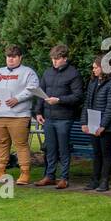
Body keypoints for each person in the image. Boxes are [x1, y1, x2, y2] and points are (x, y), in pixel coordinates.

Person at [0, 45, 39, 185]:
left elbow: (33, 88)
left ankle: (25, 173)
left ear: (20, 57)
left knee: (21, 144)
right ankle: (0, 170)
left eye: (14, 57)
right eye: (9, 57)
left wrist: (17, 99)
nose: (11, 59)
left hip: (19, 116)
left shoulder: (28, 72)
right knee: (2, 144)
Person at [34, 45, 83, 189]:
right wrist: (38, 112)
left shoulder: (73, 74)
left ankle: (64, 178)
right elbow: (40, 92)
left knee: (63, 149)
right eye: (52, 59)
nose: (54, 62)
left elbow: (78, 96)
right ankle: (49, 176)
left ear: (65, 58)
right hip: (48, 117)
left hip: (64, 118)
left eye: (57, 59)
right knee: (50, 148)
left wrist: (59, 100)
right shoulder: (48, 72)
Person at [80, 55, 111, 192]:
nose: (93, 70)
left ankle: (105, 181)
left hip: (107, 126)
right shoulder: (93, 82)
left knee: (105, 152)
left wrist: (103, 125)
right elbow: (87, 103)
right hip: (93, 122)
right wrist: (84, 122)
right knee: (96, 153)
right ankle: (94, 180)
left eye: (96, 67)